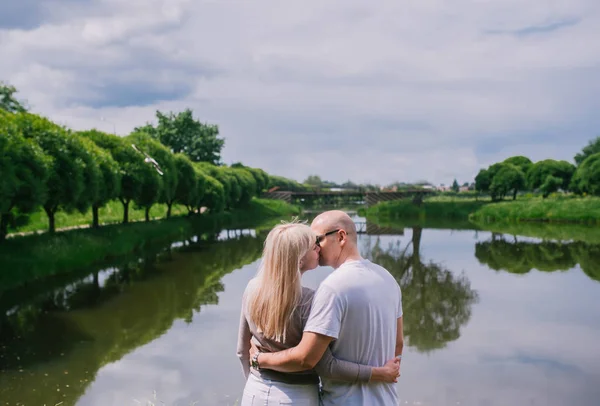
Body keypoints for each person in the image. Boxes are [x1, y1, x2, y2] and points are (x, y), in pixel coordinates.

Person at [237, 221, 400, 406]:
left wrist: (255, 379)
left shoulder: (251, 289)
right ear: (299, 259)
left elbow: (242, 351)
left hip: (254, 392)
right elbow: (326, 366)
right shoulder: (311, 301)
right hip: (296, 396)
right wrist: (377, 373)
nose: (318, 248)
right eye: (312, 245)